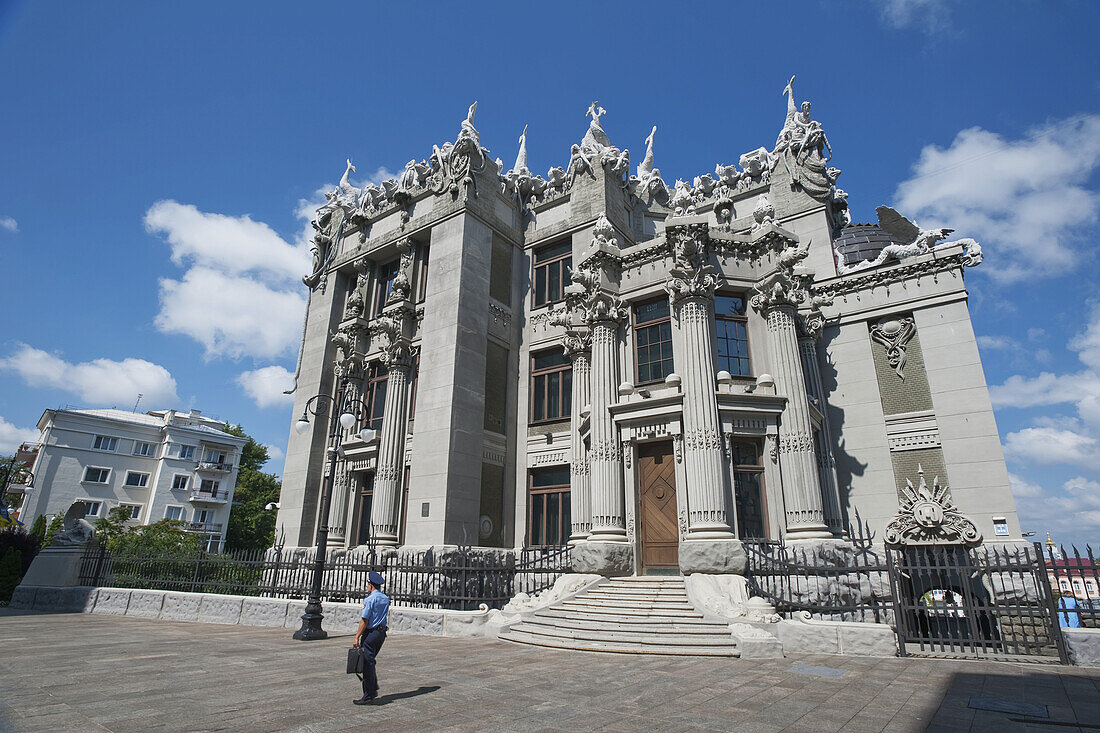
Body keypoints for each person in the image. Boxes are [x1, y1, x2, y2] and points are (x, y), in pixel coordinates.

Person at [351, 571, 390, 705]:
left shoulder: (370, 599)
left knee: (367, 664)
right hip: (381, 634)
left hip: (371, 634)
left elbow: (364, 620)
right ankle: (373, 687)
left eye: (368, 584)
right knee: (370, 660)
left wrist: (357, 637)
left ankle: (368, 695)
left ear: (371, 586)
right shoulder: (385, 598)